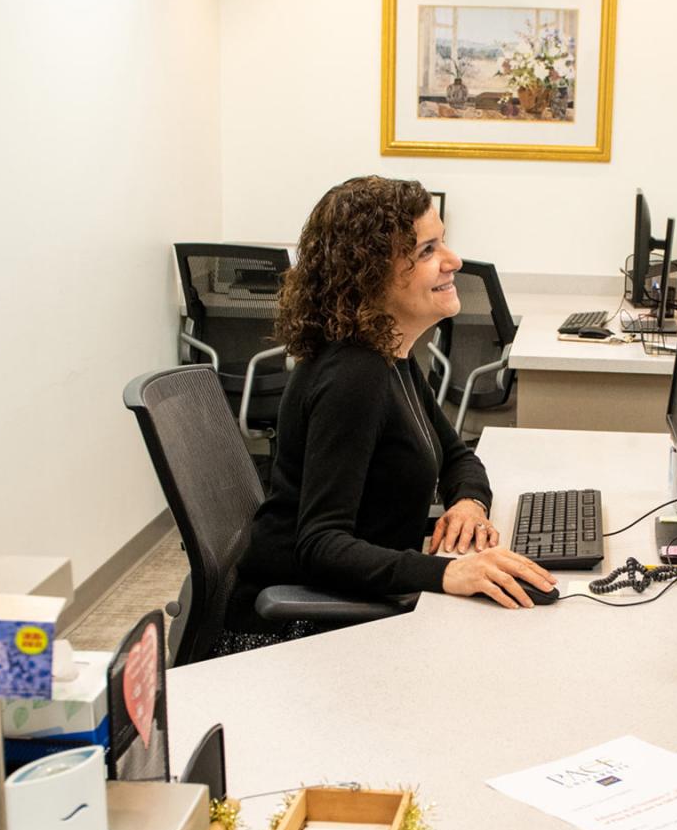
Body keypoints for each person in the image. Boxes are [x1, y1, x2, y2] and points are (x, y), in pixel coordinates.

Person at [230, 176, 555, 638]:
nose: (453, 261)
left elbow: (458, 455)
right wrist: (445, 574)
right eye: (427, 251)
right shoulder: (353, 376)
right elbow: (320, 544)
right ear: (368, 274)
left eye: (442, 241)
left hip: (357, 600)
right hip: (299, 630)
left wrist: (468, 503)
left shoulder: (390, 354)